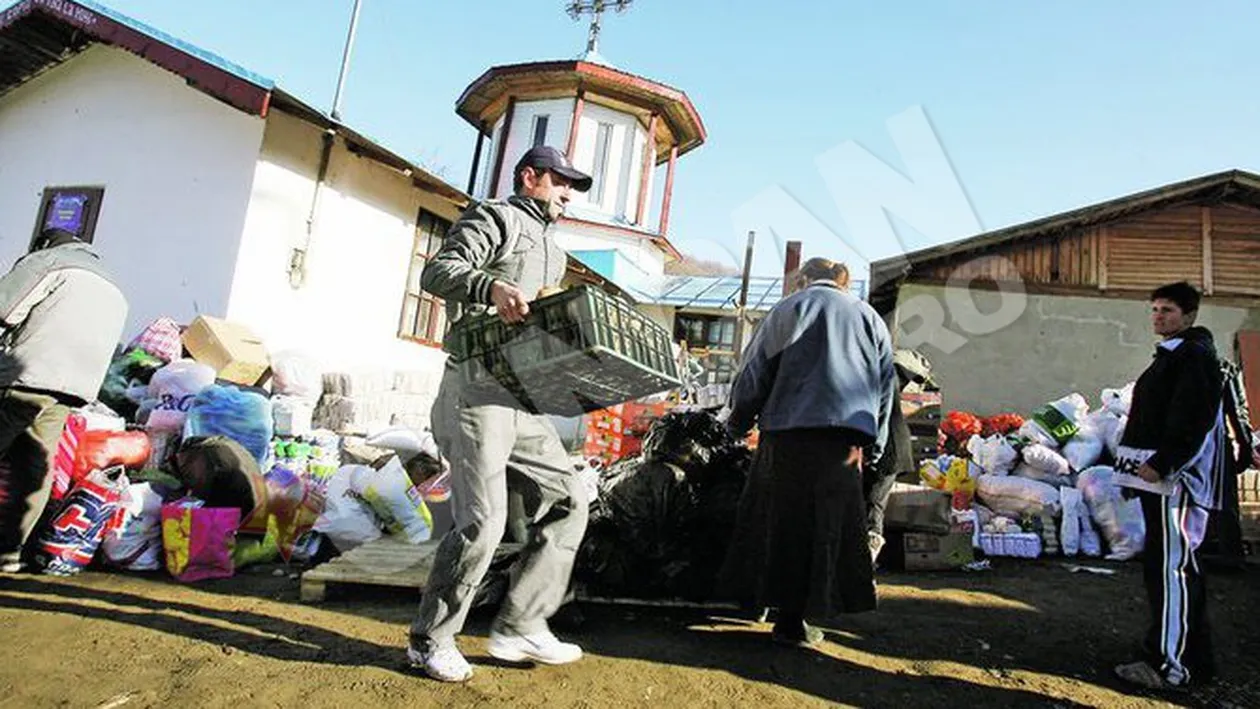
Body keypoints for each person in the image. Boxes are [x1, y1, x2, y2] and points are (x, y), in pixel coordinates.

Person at [408, 146, 594, 682]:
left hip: (523, 396)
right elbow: (440, 271)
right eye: (560, 182)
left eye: (573, 187)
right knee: (483, 522)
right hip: (476, 388)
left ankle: (522, 624)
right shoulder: (496, 217)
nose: (567, 194)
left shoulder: (553, 252)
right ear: (529, 177)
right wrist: (491, 286)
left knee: (569, 500)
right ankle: (430, 639)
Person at [719, 257, 896, 647]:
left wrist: (735, 425)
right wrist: (877, 448)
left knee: (778, 526)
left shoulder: (788, 309)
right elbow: (886, 391)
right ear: (841, 282)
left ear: (803, 279)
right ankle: (802, 620)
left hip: (787, 437)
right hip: (844, 445)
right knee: (826, 529)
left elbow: (754, 373)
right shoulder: (869, 318)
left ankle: (767, 608)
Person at [1112, 281, 1227, 691]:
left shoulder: (1193, 357)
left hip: (1174, 485)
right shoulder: (1175, 354)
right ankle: (1189, 657)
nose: (1158, 317)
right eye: (1155, 309)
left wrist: (1163, 464)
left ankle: (1170, 668)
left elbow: (1193, 418)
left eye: (1168, 311)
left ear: (1189, 315)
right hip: (1160, 481)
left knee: (1172, 571)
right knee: (1172, 569)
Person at [0, 228, 128, 572]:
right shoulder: (113, 285)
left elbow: (5, 307)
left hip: (25, 375)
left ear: (42, 244)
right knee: (36, 464)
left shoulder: (48, 261)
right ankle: (9, 553)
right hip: (73, 387)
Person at [863, 349, 935, 563]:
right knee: (871, 504)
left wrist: (873, 454)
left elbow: (880, 420)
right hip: (887, 448)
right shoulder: (886, 373)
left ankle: (866, 563)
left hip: (886, 450)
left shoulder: (880, 377)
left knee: (872, 505)